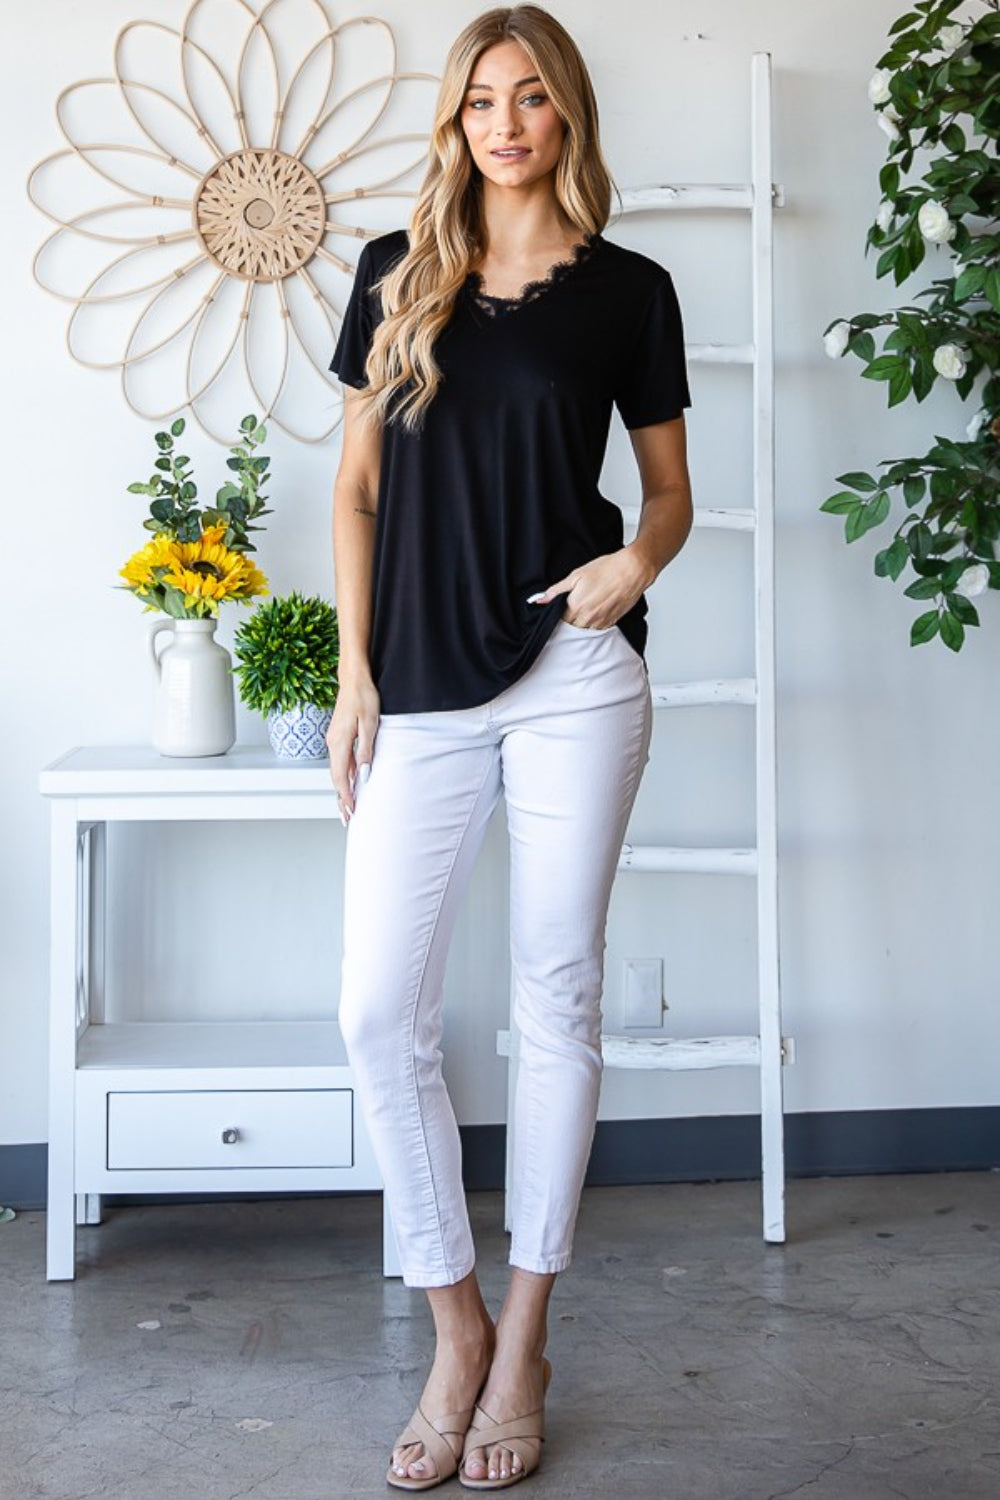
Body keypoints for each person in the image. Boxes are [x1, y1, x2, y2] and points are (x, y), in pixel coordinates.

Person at [326, 4, 692, 1489]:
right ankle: (456, 1325)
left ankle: (526, 1335)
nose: (506, 123)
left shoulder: (631, 292)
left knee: (558, 998)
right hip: (416, 682)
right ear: (455, 120)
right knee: (376, 1014)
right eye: (482, 99)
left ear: (568, 116)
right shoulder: (392, 272)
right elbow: (356, 490)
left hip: (574, 675)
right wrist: (354, 677)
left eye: (532, 97)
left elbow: (667, 494)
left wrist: (636, 565)